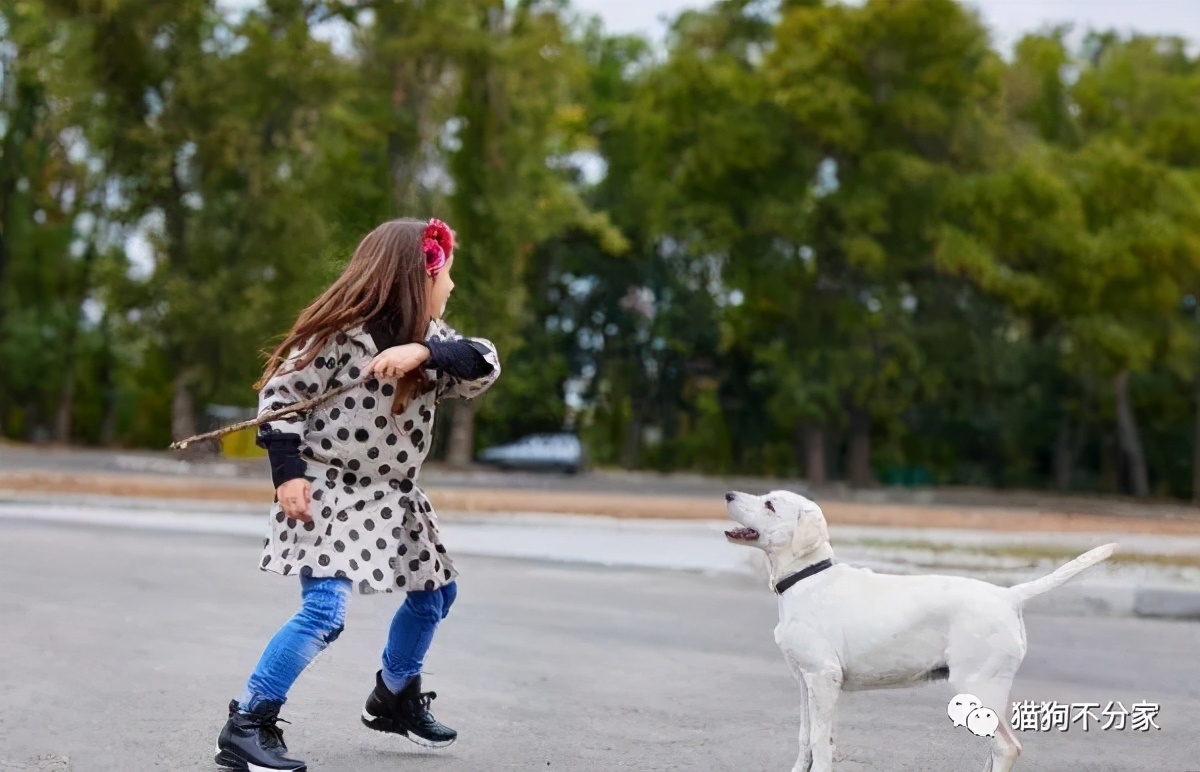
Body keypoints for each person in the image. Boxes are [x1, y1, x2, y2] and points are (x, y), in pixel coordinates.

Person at [214, 217, 500, 772]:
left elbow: (484, 360)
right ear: (419, 278)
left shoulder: (435, 343)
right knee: (325, 611)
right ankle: (247, 721)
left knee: (436, 595)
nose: (453, 288)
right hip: (329, 488)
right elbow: (280, 402)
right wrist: (287, 475)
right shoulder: (338, 336)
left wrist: (424, 353)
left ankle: (393, 694)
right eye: (447, 277)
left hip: (396, 494)